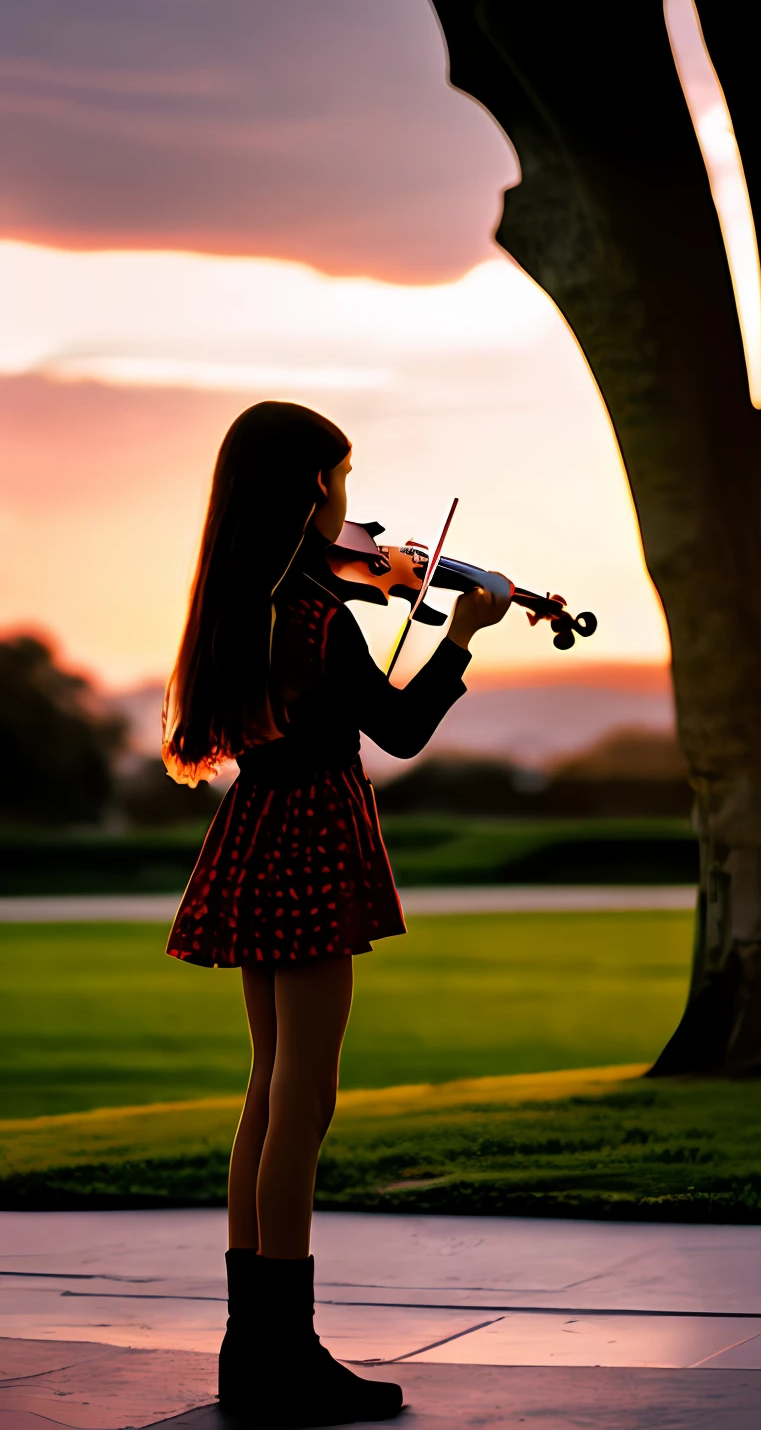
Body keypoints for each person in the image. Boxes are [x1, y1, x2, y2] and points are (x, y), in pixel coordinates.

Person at [162, 401, 510, 1424]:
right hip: (314, 834)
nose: (361, 521)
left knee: (268, 1091)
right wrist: (458, 634)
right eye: (345, 482)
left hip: (259, 828)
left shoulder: (247, 600)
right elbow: (399, 731)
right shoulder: (318, 615)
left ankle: (249, 1349)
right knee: (304, 1097)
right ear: (315, 487)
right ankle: (286, 1354)